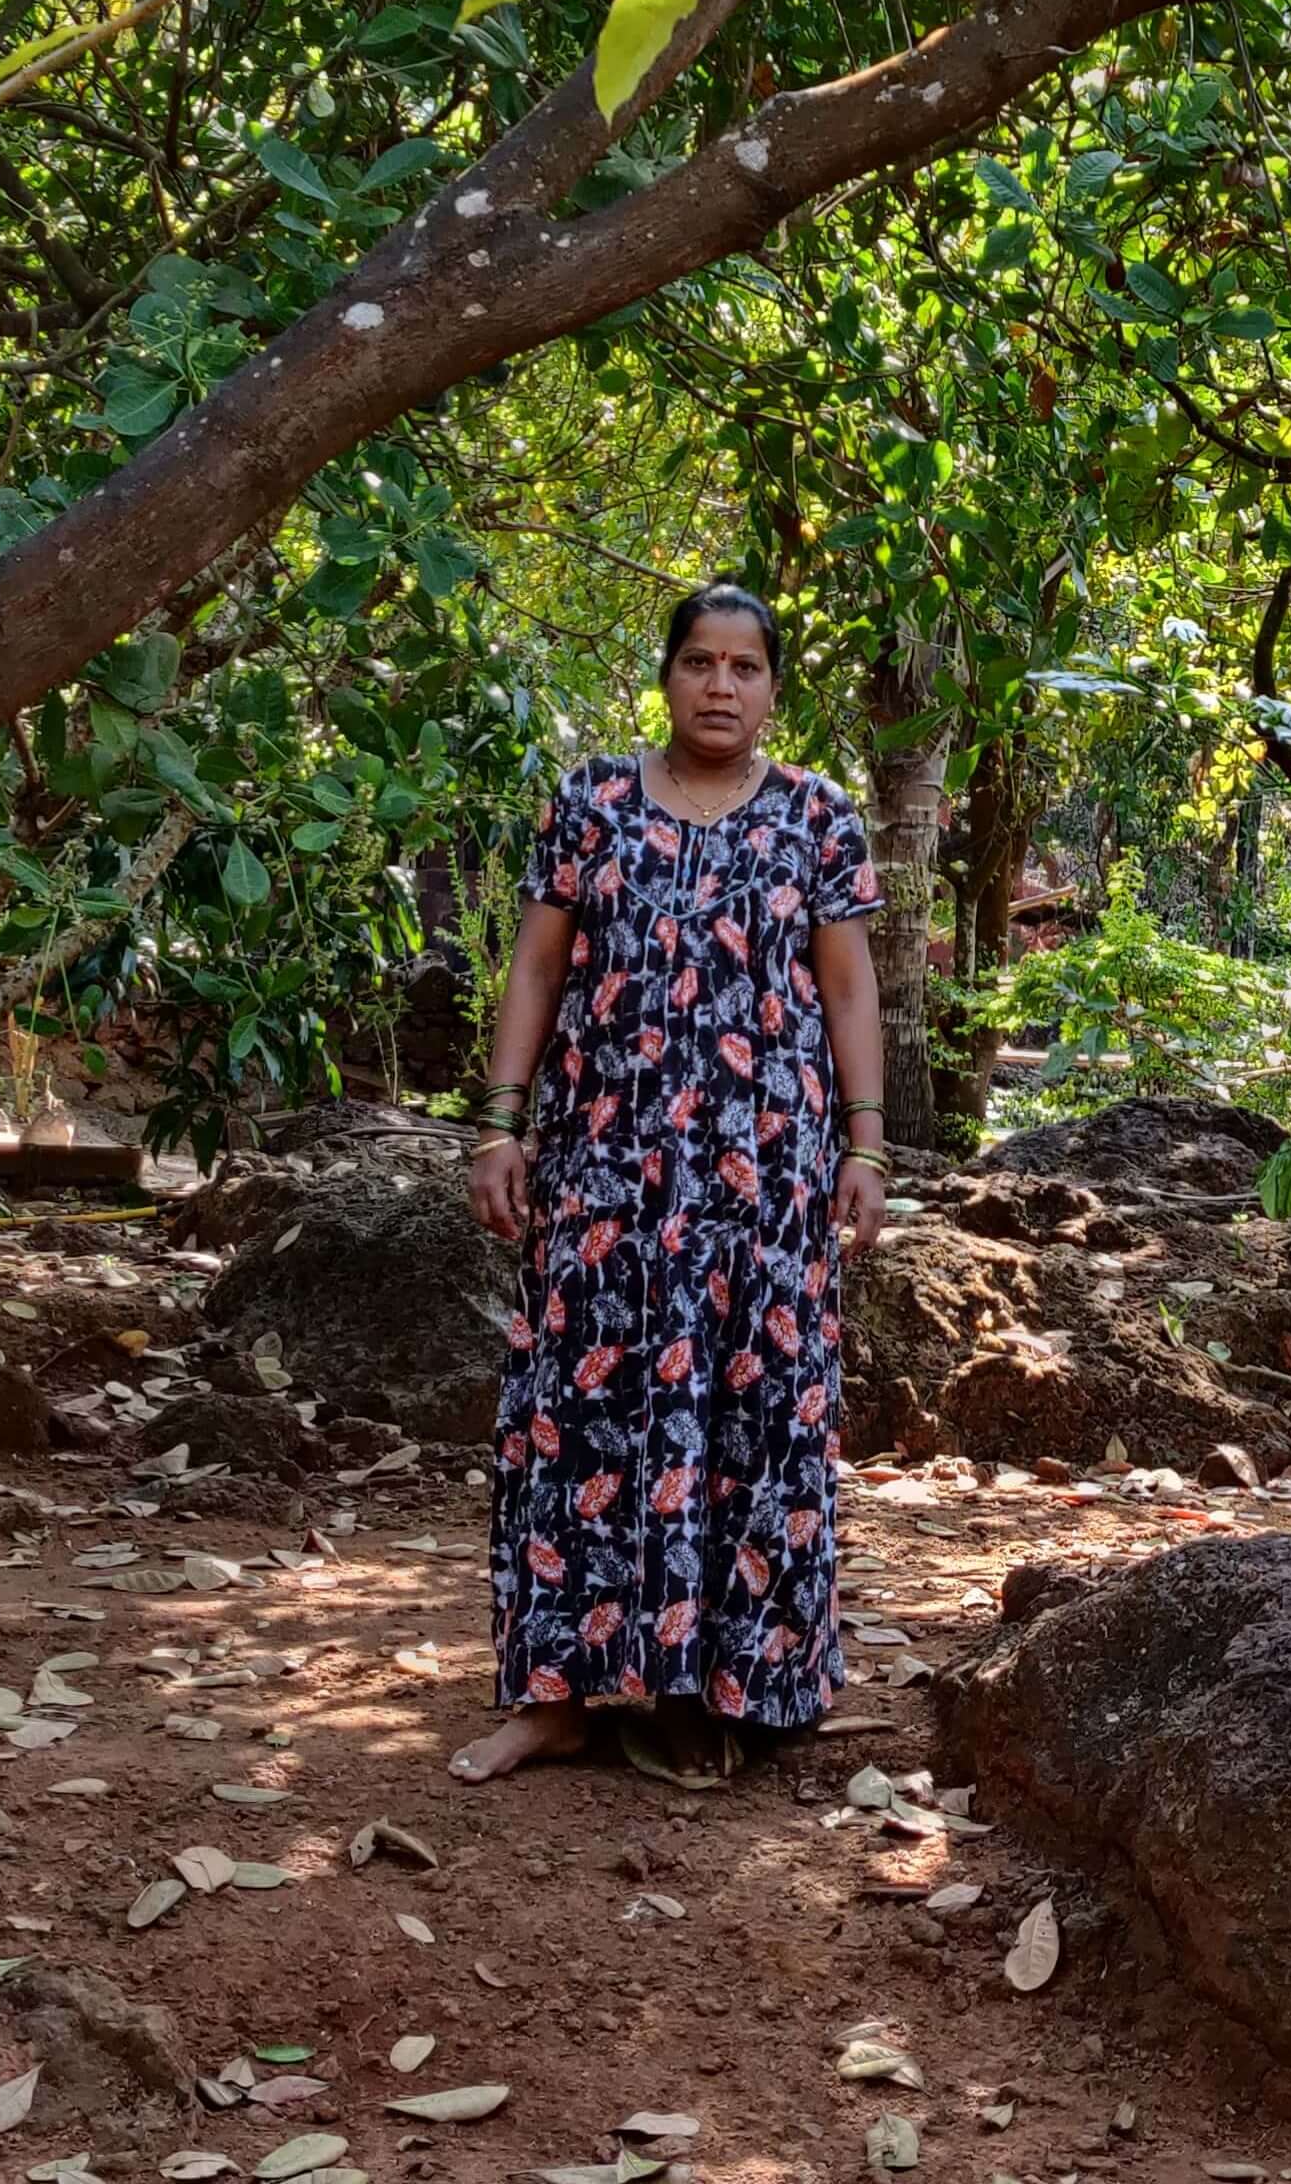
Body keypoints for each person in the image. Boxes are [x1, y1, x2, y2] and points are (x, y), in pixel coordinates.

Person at [450, 582, 894, 1783]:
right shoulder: (590, 804)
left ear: (772, 689)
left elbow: (846, 991)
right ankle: (558, 1698)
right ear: (665, 675)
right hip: (606, 1170)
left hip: (764, 1179)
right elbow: (537, 973)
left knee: (755, 1415)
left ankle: (727, 1687)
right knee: (581, 1416)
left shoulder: (817, 817)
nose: (719, 686)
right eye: (698, 661)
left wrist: (863, 1145)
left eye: (745, 667)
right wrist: (500, 1128)